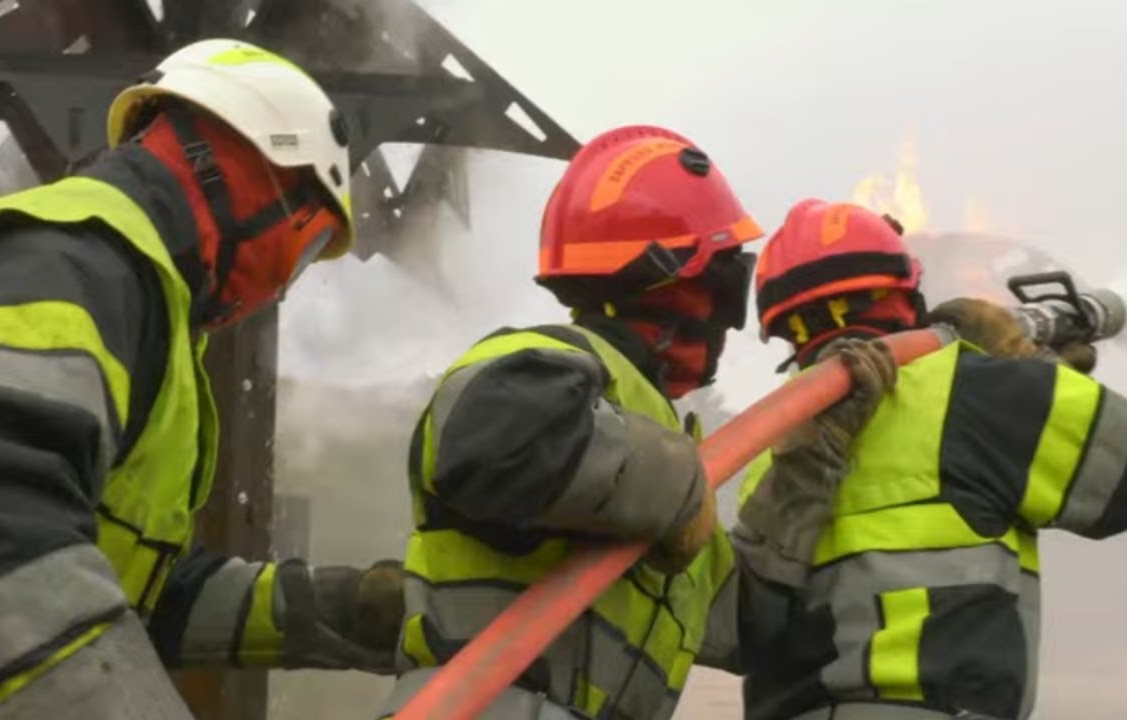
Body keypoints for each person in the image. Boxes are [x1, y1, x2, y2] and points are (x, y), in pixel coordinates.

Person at [0, 39, 404, 720]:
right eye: (301, 253)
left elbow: (132, 589)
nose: (279, 289)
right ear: (254, 178)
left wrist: (345, 612)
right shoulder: (70, 266)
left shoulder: (127, 288)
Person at [377, 126, 899, 720]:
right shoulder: (544, 361)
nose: (731, 317)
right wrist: (678, 486)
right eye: (727, 278)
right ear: (674, 276)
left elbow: (745, 621)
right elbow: (497, 450)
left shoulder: (642, 427)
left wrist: (812, 453)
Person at [738, 198, 1127, 720]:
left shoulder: (766, 447)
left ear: (786, 331)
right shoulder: (981, 391)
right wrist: (1031, 371)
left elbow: (745, 628)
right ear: (906, 293)